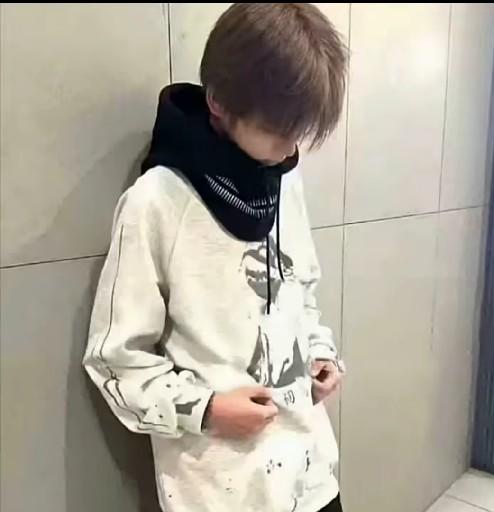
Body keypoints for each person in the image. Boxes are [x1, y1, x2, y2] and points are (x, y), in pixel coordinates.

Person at [83, 3, 348, 511]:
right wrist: (206, 409)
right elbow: (114, 361)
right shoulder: (156, 201)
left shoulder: (283, 179)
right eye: (280, 130)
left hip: (311, 475)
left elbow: (300, 292)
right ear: (220, 102)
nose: (291, 148)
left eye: (300, 132)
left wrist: (319, 354)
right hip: (220, 491)